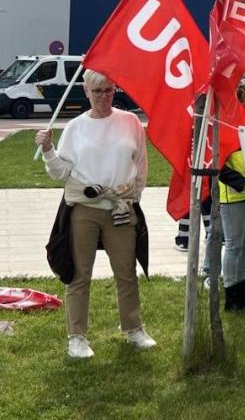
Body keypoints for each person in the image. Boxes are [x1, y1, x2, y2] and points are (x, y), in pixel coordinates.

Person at [35, 69, 156, 358]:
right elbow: (60, 173)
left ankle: (133, 328)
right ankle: (76, 337)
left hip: (120, 208)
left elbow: (141, 164)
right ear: (86, 91)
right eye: (97, 91)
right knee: (79, 274)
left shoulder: (130, 122)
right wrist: (49, 150)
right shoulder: (75, 127)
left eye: (109, 90)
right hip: (84, 210)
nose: (104, 96)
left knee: (126, 272)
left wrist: (134, 195)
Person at [215, 80, 245, 312]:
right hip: (234, 195)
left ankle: (240, 288)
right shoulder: (230, 125)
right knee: (234, 245)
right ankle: (231, 294)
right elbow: (219, 165)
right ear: (240, 102)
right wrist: (242, 184)